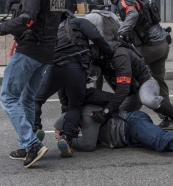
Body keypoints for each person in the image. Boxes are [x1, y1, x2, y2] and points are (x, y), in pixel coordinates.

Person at [0, 0, 64, 169]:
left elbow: (26, 20)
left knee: (8, 97)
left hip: (29, 50)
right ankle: (26, 144)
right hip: (46, 53)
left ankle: (31, 143)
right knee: (27, 99)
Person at [52, 87, 173, 166]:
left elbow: (89, 144)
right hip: (130, 132)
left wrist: (68, 140)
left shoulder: (85, 114)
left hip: (131, 125)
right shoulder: (84, 112)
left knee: (160, 140)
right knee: (162, 143)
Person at [33, 10, 113, 157]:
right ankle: (67, 139)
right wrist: (108, 53)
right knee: (74, 106)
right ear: (69, 16)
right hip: (76, 67)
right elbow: (96, 37)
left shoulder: (49, 29)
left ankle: (35, 129)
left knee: (37, 99)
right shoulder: (79, 22)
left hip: (54, 67)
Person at [102, 0, 173, 130]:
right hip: (162, 45)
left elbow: (133, 14)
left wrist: (122, 32)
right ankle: (170, 118)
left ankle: (124, 111)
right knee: (159, 80)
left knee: (129, 72)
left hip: (150, 47)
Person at [92, 39, 173, 133]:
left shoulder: (119, 55)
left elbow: (123, 88)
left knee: (148, 99)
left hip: (145, 83)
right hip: (131, 94)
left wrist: (106, 110)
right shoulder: (98, 59)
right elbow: (97, 88)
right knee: (114, 120)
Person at [84, 0, 121, 90]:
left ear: (90, 4)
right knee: (112, 78)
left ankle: (97, 96)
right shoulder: (112, 15)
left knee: (97, 77)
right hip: (114, 51)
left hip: (97, 54)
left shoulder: (89, 17)